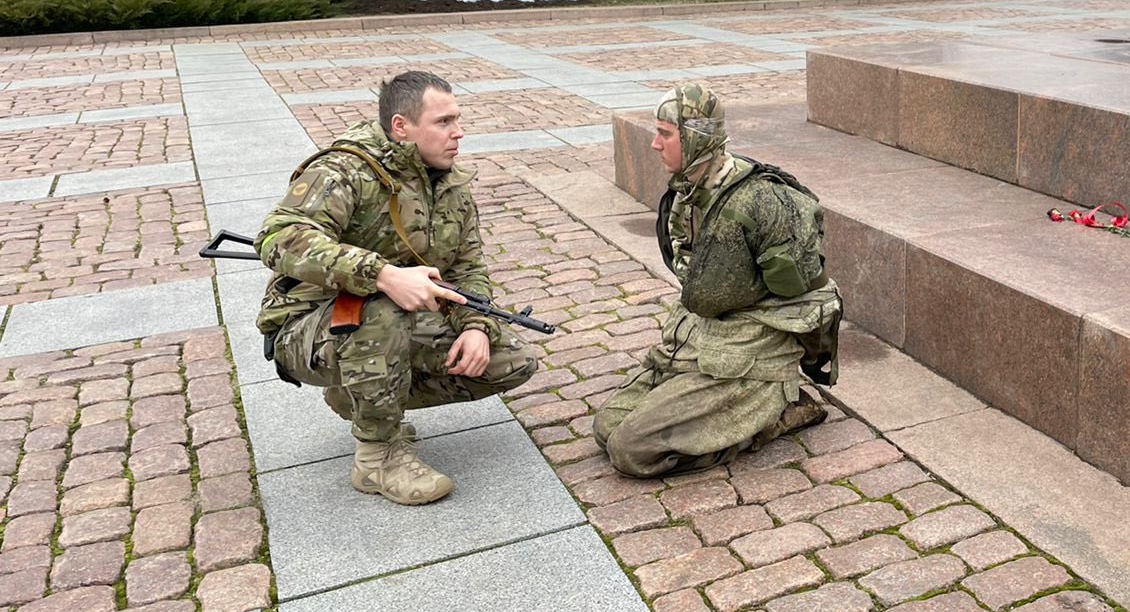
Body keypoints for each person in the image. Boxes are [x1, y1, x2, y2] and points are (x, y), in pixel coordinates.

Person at [255, 71, 537, 505]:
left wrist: (477, 326)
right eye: (444, 122)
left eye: (457, 119)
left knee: (507, 361)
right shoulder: (345, 170)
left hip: (389, 322)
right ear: (402, 127)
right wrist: (383, 274)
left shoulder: (448, 182)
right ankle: (377, 456)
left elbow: (468, 267)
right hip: (306, 329)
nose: (458, 132)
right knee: (381, 307)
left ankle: (362, 399)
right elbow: (278, 237)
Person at [593, 82, 842, 477]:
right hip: (702, 342)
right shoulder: (687, 193)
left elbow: (802, 294)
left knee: (632, 450)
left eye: (665, 133)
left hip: (750, 357)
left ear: (695, 138)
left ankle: (778, 411)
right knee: (606, 428)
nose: (655, 144)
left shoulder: (760, 200)